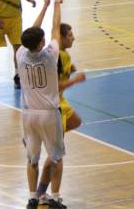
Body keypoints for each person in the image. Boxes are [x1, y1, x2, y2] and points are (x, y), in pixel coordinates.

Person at [17, 0, 68, 209]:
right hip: (48, 114)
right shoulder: (50, 56)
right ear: (41, 43)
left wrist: (44, 8)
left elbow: (30, 32)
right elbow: (56, 28)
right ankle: (55, 198)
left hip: (29, 116)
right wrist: (55, 5)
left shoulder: (20, 54)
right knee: (56, 157)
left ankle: (32, 197)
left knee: (32, 159)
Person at [35, 22, 86, 204]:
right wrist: (75, 80)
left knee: (76, 121)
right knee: (55, 155)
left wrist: (69, 69)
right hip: (52, 104)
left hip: (59, 102)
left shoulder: (64, 55)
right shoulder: (56, 57)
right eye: (70, 35)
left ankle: (41, 193)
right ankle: (43, 194)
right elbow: (55, 86)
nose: (74, 38)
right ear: (62, 38)